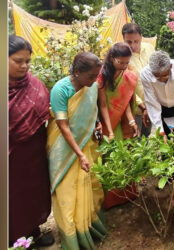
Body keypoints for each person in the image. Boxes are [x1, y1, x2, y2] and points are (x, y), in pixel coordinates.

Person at [47, 52, 107, 249]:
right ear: (78, 72)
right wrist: (79, 154)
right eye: (91, 76)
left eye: (96, 75)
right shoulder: (60, 90)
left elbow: (92, 110)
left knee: (86, 186)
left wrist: (97, 123)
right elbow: (63, 127)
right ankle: (72, 239)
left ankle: (86, 229)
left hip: (85, 143)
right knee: (67, 193)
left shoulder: (90, 87)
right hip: (63, 147)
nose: (94, 80)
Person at [8, 35, 54, 247]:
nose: (25, 66)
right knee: (13, 199)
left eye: (28, 61)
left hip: (34, 152)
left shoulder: (33, 84)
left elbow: (45, 109)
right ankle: (13, 240)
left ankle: (34, 231)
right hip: (10, 158)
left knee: (35, 192)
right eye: (18, 61)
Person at [97, 42, 145, 140]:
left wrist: (132, 121)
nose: (124, 66)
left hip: (119, 119)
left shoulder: (125, 73)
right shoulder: (102, 76)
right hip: (105, 120)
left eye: (127, 62)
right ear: (112, 58)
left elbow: (124, 100)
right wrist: (110, 131)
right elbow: (103, 105)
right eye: (121, 62)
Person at [122, 23, 154, 137]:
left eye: (136, 41)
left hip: (151, 105)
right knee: (135, 139)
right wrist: (143, 106)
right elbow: (126, 87)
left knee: (146, 137)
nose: (133, 45)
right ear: (123, 40)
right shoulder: (123, 57)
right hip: (135, 109)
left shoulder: (149, 48)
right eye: (129, 42)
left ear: (141, 37)